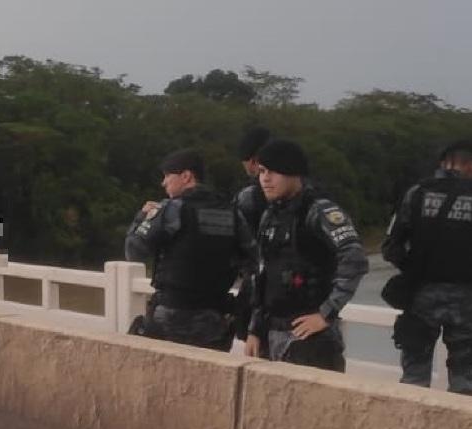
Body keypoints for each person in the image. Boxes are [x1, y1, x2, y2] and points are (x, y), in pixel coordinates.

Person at [382, 140, 472, 395]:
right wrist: (471, 269)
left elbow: (390, 247)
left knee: (414, 376)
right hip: (467, 300)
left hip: (420, 296)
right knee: (463, 376)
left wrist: (416, 268)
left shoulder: (416, 193)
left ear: (443, 163)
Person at [244, 139, 368, 371]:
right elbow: (261, 275)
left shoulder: (319, 211)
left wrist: (326, 313)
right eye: (261, 171)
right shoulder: (270, 215)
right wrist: (255, 330)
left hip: (310, 341)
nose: (265, 179)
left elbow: (355, 259)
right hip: (272, 335)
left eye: (273, 171)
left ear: (294, 173)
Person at [123, 149, 254, 351]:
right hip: (214, 321)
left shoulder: (171, 209)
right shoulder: (231, 212)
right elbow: (254, 262)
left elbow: (134, 251)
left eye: (167, 175)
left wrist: (141, 217)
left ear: (186, 176)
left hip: (170, 317)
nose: (163, 183)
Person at [233, 126, 271, 343]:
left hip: (258, 286)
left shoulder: (248, 197)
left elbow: (235, 244)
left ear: (253, 161)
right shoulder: (308, 195)